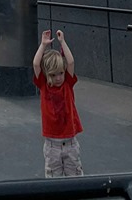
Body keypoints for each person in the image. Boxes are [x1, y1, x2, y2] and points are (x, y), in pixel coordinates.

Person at [32, 28, 83, 178]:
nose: (59, 78)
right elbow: (36, 64)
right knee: (54, 177)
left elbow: (71, 61)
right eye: (54, 75)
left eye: (61, 73)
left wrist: (62, 42)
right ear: (47, 75)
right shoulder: (44, 85)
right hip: (52, 143)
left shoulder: (68, 83)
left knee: (74, 176)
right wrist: (43, 45)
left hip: (70, 141)